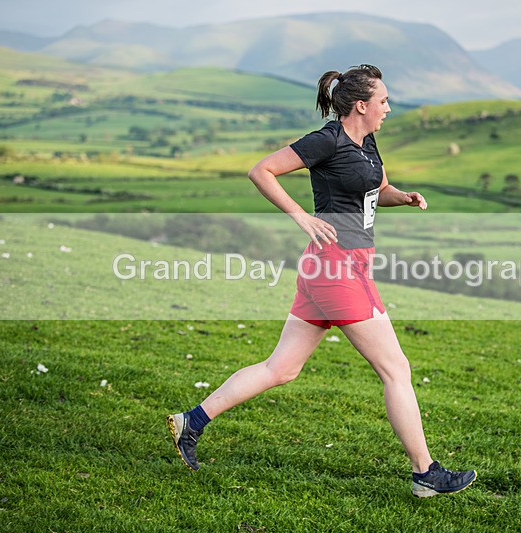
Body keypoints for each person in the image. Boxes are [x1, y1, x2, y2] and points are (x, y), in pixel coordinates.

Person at [167, 64, 475, 498]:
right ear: (362, 105)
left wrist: (401, 197)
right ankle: (426, 472)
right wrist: (300, 215)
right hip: (336, 268)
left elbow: (377, 189)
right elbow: (261, 171)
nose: (389, 107)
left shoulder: (367, 142)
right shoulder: (326, 139)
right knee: (396, 368)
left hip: (333, 268)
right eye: (384, 100)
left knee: (282, 368)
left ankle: (191, 421)